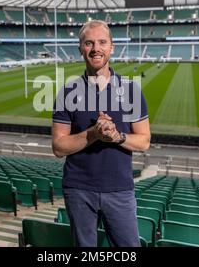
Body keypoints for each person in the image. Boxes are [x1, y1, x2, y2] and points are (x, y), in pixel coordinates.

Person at [52, 20, 151, 247]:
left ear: (112, 47)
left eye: (102, 42)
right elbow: (58, 147)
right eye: (89, 43)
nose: (96, 48)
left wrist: (117, 136)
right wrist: (94, 134)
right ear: (80, 48)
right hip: (79, 189)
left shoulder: (131, 90)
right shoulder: (67, 92)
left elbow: (144, 141)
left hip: (119, 188)